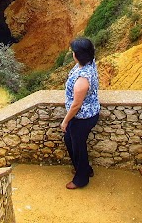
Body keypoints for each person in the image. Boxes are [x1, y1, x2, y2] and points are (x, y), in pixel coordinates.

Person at [60, 37, 100, 189]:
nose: (72, 54)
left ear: (78, 56)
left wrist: (65, 121)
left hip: (82, 117)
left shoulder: (82, 80)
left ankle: (81, 178)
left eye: (73, 52)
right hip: (85, 114)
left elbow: (77, 104)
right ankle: (84, 169)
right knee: (70, 140)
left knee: (78, 146)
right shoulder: (89, 63)